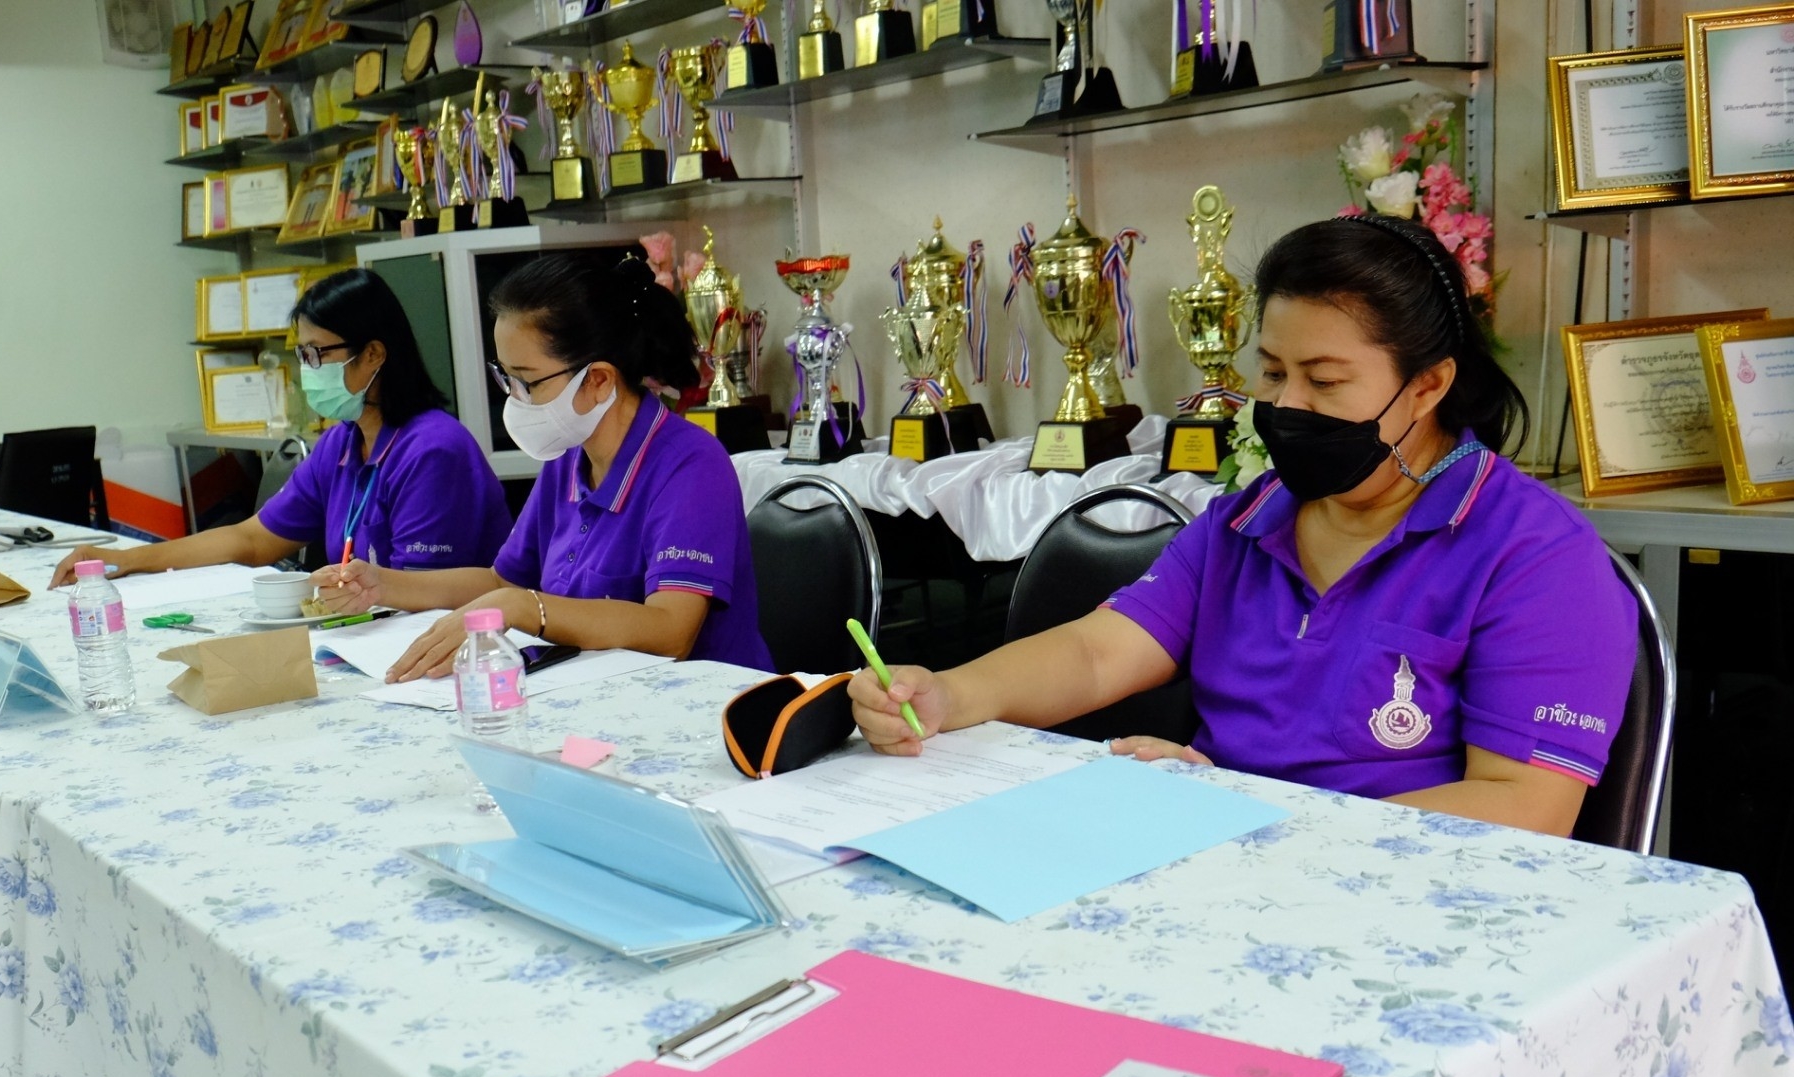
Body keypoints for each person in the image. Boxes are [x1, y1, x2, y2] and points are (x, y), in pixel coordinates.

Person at [851, 213, 1637, 838]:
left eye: (1324, 381)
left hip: (1403, 894)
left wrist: (1258, 818)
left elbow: (1528, 807)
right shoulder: (1251, 519)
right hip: (1225, 859)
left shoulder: (1534, 556)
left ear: (1428, 386)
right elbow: (1098, 653)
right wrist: (950, 693)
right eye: (1272, 372)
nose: (1287, 406)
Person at [314, 253, 774, 679]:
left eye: (527, 382)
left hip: (701, 713)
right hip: (591, 697)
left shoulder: (690, 464)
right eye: (506, 378)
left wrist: (525, 607)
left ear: (597, 380)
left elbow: (670, 630)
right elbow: (500, 581)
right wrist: (381, 586)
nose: (515, 400)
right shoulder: (570, 456)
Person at [51, 269, 510, 588]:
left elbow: (421, 593)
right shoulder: (341, 444)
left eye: (317, 354)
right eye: (302, 355)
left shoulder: (433, 450)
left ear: (373, 354)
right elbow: (252, 539)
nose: (307, 369)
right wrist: (132, 559)